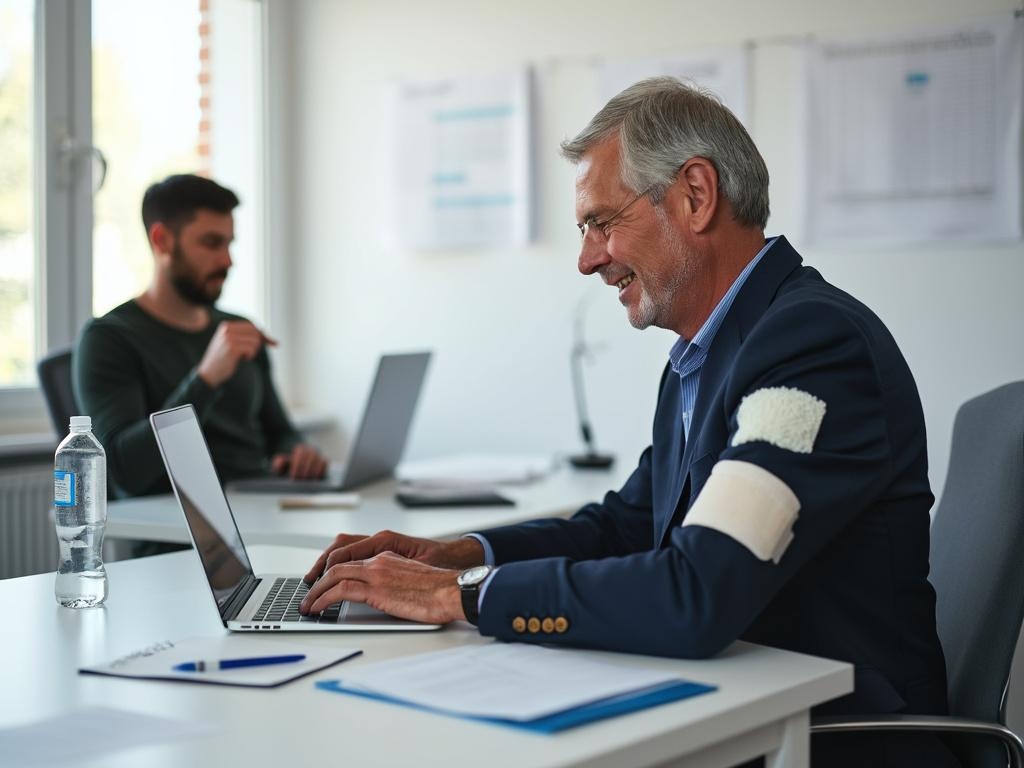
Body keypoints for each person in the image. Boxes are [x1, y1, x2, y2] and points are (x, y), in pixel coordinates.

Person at [298, 79, 955, 767]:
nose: (587, 259)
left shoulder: (812, 351)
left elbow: (700, 588)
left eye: (601, 223)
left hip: (836, 740)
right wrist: (459, 554)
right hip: (740, 706)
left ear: (695, 196)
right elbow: (626, 525)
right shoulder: (702, 359)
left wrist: (459, 597)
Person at [74, 174, 327, 499]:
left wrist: (298, 452)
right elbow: (124, 471)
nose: (227, 260)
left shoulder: (239, 329)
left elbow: (281, 433)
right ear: (162, 240)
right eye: (211, 243)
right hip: (183, 534)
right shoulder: (110, 339)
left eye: (229, 243)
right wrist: (206, 379)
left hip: (266, 511)